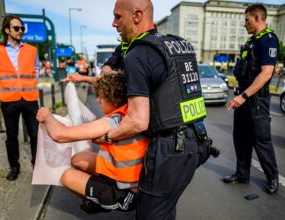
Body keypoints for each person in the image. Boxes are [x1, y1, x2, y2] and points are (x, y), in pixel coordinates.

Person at [91, 0, 214, 219]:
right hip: (198, 141)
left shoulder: (138, 54)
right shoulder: (179, 44)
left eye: (118, 16)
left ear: (137, 16)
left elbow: (138, 121)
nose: (113, 23)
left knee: (150, 214)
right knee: (166, 208)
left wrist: (107, 136)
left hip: (170, 150)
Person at [36, 72, 149, 211]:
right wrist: (82, 78)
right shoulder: (133, 112)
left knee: (66, 177)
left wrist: (47, 116)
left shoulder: (112, 121)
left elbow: (59, 135)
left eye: (100, 97)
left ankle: (104, 202)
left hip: (126, 193)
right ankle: (98, 194)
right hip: (132, 179)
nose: (98, 101)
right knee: (78, 159)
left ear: (112, 100)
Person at [224, 3, 279, 194]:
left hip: (255, 100)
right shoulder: (250, 42)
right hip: (243, 97)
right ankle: (242, 174)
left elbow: (266, 74)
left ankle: (272, 178)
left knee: (261, 140)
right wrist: (240, 95)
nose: (243, 24)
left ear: (257, 18)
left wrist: (244, 96)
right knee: (240, 138)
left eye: (246, 19)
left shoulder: (269, 40)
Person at [0, 15, 40, 181]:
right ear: (7, 30)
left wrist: (32, 81)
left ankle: (38, 165)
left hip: (29, 97)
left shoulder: (31, 49)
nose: (20, 31)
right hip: (9, 98)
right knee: (11, 135)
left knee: (35, 134)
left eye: (22, 28)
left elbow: (36, 68)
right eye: (16, 28)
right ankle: (14, 167)